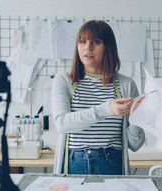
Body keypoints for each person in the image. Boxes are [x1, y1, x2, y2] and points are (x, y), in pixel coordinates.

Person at [51, 20, 145, 175]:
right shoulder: (64, 80)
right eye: (83, 41)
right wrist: (107, 109)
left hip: (112, 162)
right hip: (75, 163)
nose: (88, 47)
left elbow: (135, 145)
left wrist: (135, 120)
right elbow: (62, 124)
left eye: (96, 42)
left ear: (108, 47)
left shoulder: (126, 85)